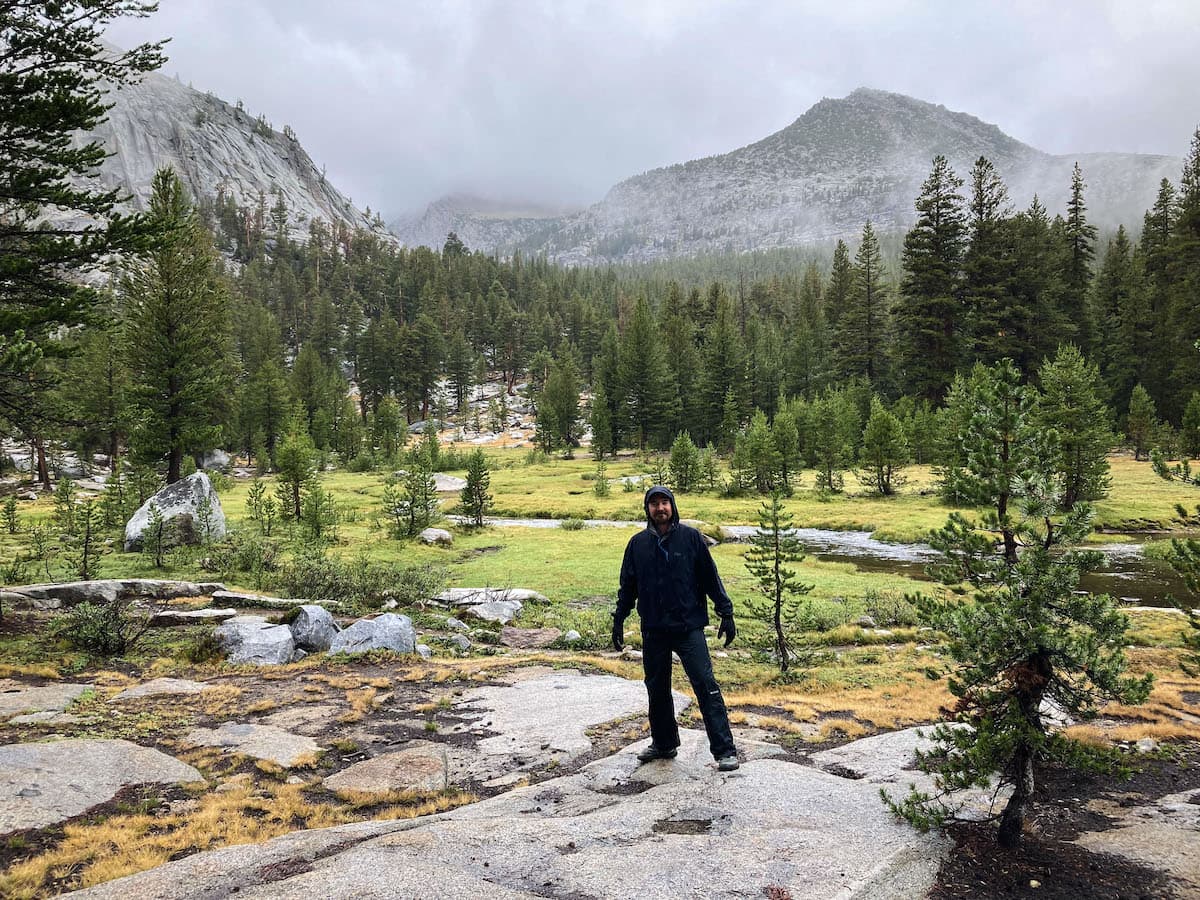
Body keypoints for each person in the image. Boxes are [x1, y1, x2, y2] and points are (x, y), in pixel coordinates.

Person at [613, 484, 740, 771]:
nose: (660, 508)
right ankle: (664, 743)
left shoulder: (691, 538)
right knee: (657, 688)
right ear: (647, 509)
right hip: (654, 628)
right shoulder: (637, 544)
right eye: (654, 503)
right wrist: (619, 619)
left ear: (672, 506)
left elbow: (710, 578)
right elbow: (628, 586)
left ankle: (724, 751)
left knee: (705, 685)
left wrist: (726, 612)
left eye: (664, 503)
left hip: (688, 627)